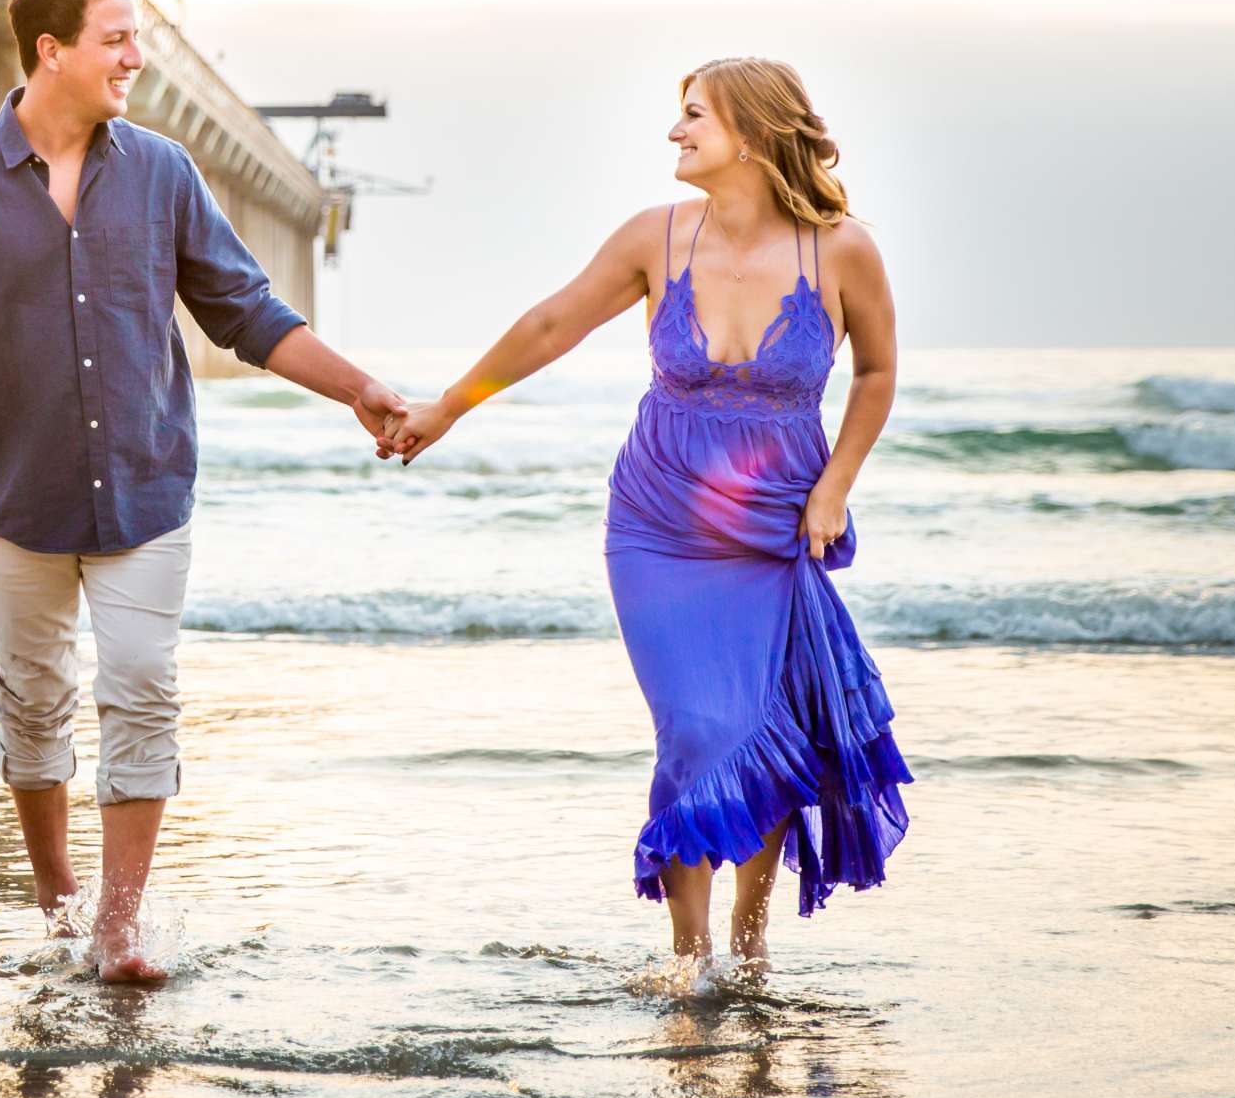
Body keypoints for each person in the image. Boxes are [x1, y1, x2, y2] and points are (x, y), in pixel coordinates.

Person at [0, 0, 407, 985]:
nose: (136, 57)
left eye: (138, 38)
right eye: (117, 38)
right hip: (15, 500)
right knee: (33, 701)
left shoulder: (164, 172)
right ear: (52, 49)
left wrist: (357, 388)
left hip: (146, 489)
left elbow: (245, 311)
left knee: (141, 688)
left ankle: (118, 928)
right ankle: (58, 905)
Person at [386, 57, 912, 962]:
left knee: (767, 723)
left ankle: (748, 940)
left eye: (694, 116)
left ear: (750, 131)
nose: (676, 133)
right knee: (698, 728)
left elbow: (876, 372)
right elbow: (553, 325)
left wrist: (836, 487)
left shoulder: (843, 248)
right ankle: (689, 958)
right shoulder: (653, 239)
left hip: (776, 524)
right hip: (659, 525)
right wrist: (447, 406)